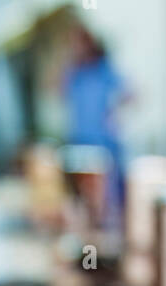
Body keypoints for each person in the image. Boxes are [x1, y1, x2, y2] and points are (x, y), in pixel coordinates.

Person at [63, 27, 130, 221]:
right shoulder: (74, 72)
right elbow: (55, 89)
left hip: (104, 142)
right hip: (80, 141)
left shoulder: (104, 70)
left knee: (107, 199)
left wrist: (113, 112)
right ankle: (88, 239)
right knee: (82, 198)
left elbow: (130, 92)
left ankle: (104, 240)